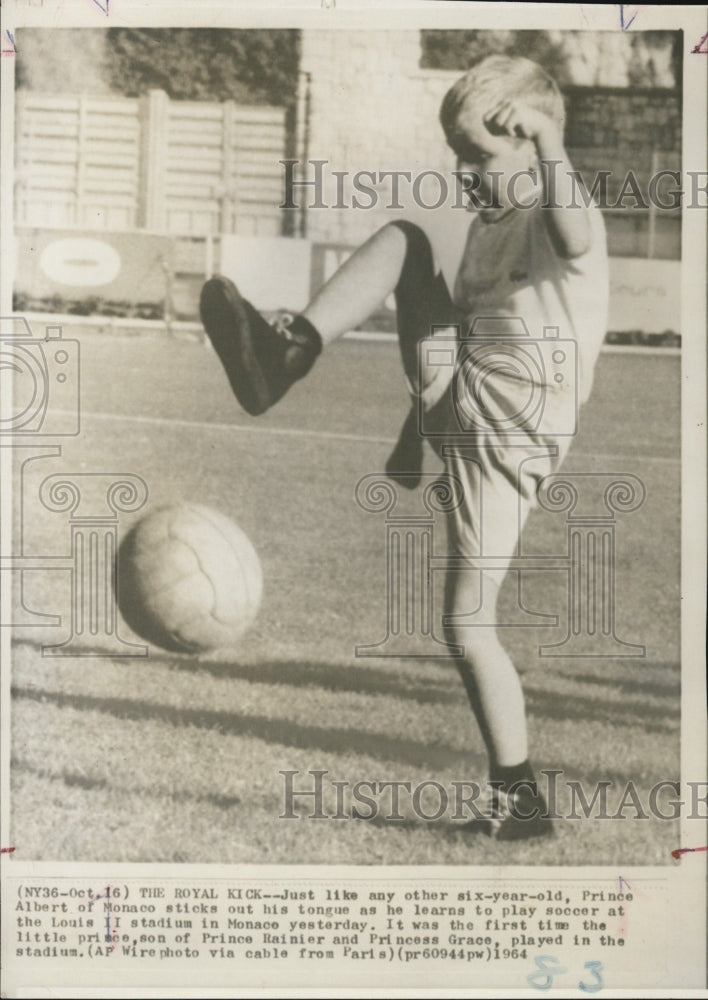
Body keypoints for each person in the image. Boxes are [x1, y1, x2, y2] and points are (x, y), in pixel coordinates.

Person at [199, 55, 609, 840]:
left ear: (532, 147)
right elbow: (453, 335)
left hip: (511, 439)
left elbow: (575, 232)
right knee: (406, 242)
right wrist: (413, 435)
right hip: (470, 406)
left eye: (478, 157)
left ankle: (520, 799)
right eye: (457, 156)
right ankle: (290, 353)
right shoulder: (488, 231)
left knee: (467, 627)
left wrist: (552, 144)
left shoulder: (555, 208)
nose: (464, 174)